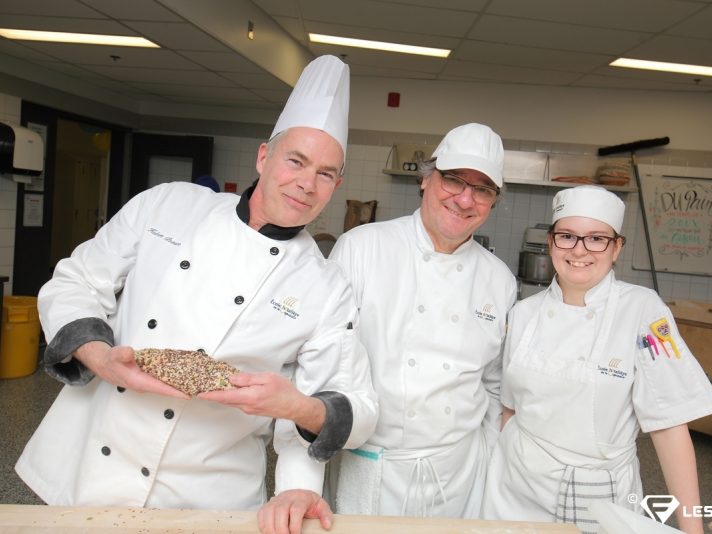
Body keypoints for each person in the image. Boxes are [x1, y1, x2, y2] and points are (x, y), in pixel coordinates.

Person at [16, 55, 378, 534]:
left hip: (209, 491)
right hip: (91, 465)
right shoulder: (169, 204)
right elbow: (75, 281)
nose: (307, 184)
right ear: (264, 157)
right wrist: (99, 356)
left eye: (327, 173)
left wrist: (296, 473)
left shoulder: (326, 286)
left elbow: (352, 403)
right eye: (297, 160)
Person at [481, 185, 712, 534]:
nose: (579, 250)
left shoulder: (643, 311)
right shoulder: (522, 314)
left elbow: (669, 426)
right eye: (567, 236)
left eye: (596, 238)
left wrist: (692, 530)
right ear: (550, 242)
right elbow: (510, 411)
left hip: (601, 498)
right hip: (514, 494)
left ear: (617, 248)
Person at [329, 123, 518, 518]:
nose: (465, 199)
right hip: (371, 465)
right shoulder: (363, 248)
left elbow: (495, 384)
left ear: (492, 201)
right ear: (426, 180)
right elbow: (326, 363)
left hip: (461, 474)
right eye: (453, 180)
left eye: (482, 189)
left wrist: (491, 466)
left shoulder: (498, 279)